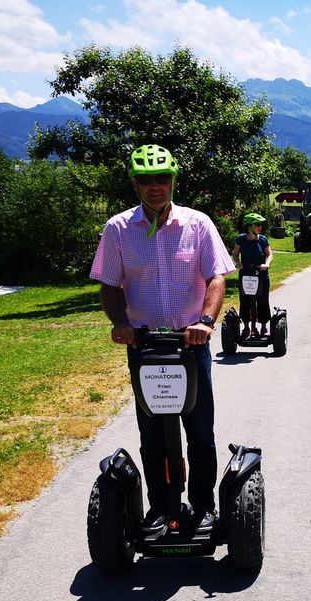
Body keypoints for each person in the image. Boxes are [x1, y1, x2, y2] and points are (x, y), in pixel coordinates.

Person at [90, 144, 234, 535]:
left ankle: (203, 506)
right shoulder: (118, 229)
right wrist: (119, 322)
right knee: (151, 433)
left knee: (200, 431)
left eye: (163, 179)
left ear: (173, 181)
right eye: (147, 180)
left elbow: (216, 277)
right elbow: (109, 284)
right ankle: (159, 508)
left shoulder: (198, 224)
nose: (156, 187)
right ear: (135, 184)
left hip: (191, 345)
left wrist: (205, 321)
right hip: (145, 347)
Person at [231, 212, 273, 338]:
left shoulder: (263, 239)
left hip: (261, 275)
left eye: (261, 225)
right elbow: (235, 254)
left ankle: (264, 326)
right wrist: (238, 263)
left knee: (263, 300)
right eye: (257, 225)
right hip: (246, 274)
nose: (260, 227)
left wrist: (266, 264)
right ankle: (246, 327)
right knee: (245, 301)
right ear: (250, 226)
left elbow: (270, 255)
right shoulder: (241, 239)